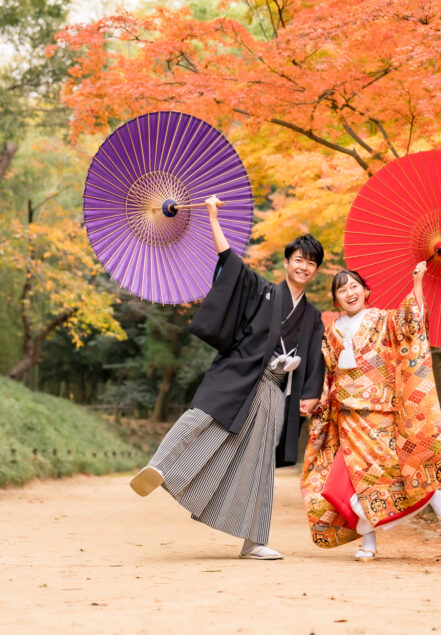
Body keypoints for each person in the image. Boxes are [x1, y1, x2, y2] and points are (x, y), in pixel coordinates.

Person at [130, 194, 326, 560]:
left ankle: (253, 540)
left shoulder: (313, 316)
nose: (304, 267)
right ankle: (160, 465)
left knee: (258, 462)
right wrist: (213, 219)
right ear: (287, 262)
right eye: (299, 260)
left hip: (272, 388)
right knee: (201, 416)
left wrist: (310, 391)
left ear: (315, 271)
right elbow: (229, 261)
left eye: (311, 264)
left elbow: (316, 356)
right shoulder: (262, 290)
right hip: (239, 372)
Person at [300, 262, 441, 561]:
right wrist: (314, 401)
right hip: (345, 416)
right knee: (349, 484)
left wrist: (417, 283)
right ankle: (368, 542)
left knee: (382, 474)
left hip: (378, 412)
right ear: (335, 300)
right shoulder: (332, 332)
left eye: (354, 286)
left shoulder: (383, 320)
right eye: (342, 290)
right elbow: (326, 373)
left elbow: (413, 325)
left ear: (366, 291)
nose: (349, 292)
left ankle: (433, 495)